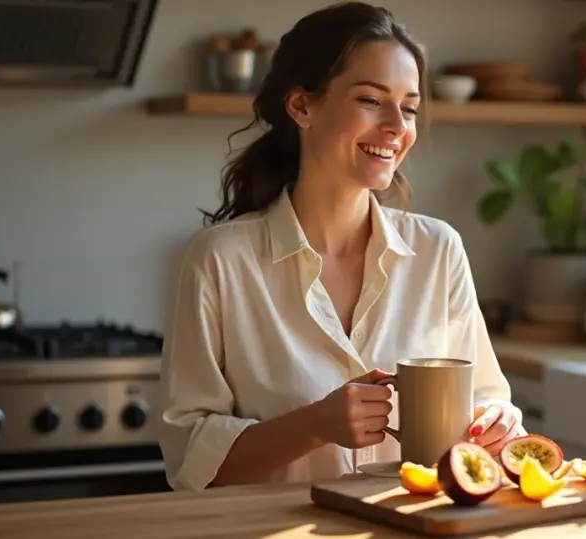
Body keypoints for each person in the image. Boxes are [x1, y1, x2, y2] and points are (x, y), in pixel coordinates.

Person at [156, 2, 524, 491]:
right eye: (371, 100)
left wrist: (496, 424)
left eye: (410, 107)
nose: (398, 126)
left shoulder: (438, 251)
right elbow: (190, 462)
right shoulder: (220, 261)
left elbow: (486, 404)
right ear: (302, 106)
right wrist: (313, 426)